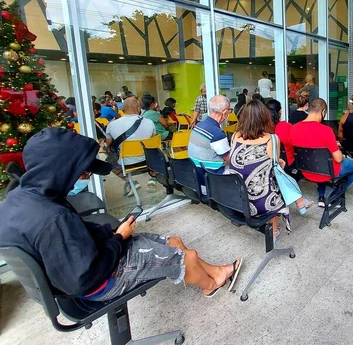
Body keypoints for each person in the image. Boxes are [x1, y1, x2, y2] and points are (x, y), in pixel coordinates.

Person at [0, 128, 243, 300]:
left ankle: (216, 271)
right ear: (62, 171)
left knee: (174, 242)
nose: (84, 177)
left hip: (84, 261)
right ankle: (211, 285)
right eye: (81, 172)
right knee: (185, 257)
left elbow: (73, 240)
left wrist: (113, 233)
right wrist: (118, 239)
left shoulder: (20, 199)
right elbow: (83, 279)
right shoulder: (52, 217)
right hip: (99, 282)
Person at [229, 100, 292, 238]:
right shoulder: (272, 139)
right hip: (260, 203)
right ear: (265, 117)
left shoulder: (235, 136)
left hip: (237, 198)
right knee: (279, 183)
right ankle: (274, 230)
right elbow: (276, 170)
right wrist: (279, 163)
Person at [290, 98, 353, 207]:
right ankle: (335, 195)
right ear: (323, 112)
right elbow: (338, 159)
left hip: (306, 171)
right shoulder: (326, 130)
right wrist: (339, 152)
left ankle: (322, 194)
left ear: (309, 109)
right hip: (328, 172)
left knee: (318, 162)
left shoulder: (293, 128)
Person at [265, 99, 314, 220]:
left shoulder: (262, 130)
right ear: (280, 112)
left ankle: (300, 201)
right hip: (288, 162)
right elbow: (299, 143)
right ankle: (300, 201)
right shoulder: (287, 127)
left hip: (271, 162)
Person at [105, 97, 157, 194]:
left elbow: (110, 146)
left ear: (123, 109)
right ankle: (152, 179)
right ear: (138, 109)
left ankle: (131, 181)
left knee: (108, 163)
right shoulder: (149, 122)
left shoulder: (112, 125)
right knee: (155, 151)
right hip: (147, 161)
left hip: (125, 163)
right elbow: (153, 143)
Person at [188, 95, 231, 180]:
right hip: (212, 178)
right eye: (229, 110)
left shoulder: (198, 126)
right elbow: (230, 159)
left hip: (196, 176)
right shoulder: (216, 133)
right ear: (224, 112)